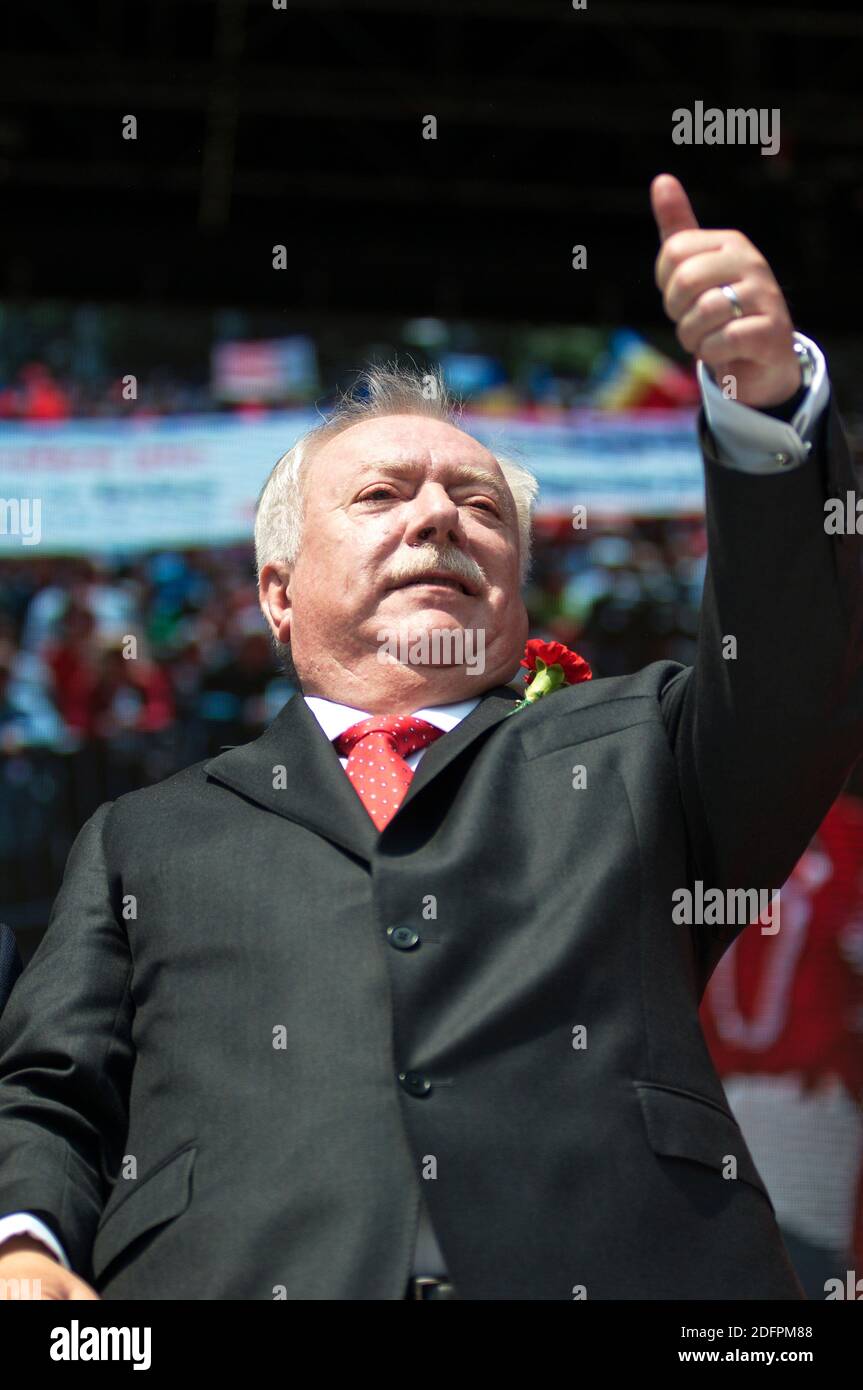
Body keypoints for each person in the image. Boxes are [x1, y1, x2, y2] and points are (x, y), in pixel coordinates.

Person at [1, 174, 862, 1300]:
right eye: (379, 497)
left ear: (516, 577)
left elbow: (793, 671)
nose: (435, 517)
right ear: (276, 589)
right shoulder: (139, 837)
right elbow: (50, 1090)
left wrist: (761, 409)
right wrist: (25, 1244)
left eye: (479, 502)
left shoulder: (644, 747)